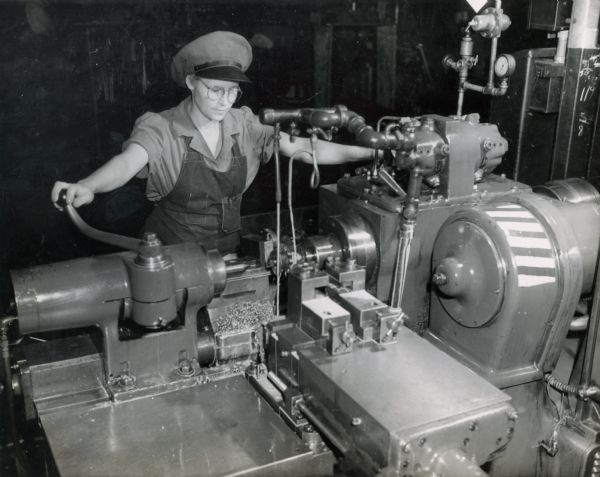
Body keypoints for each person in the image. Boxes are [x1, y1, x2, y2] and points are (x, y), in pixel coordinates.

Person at [52, 31, 376, 254]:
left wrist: (372, 149)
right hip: (170, 252)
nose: (224, 101)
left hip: (227, 251)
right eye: (214, 90)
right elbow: (127, 163)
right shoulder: (162, 127)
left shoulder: (243, 123)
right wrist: (88, 185)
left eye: (232, 91)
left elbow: (306, 148)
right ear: (191, 82)